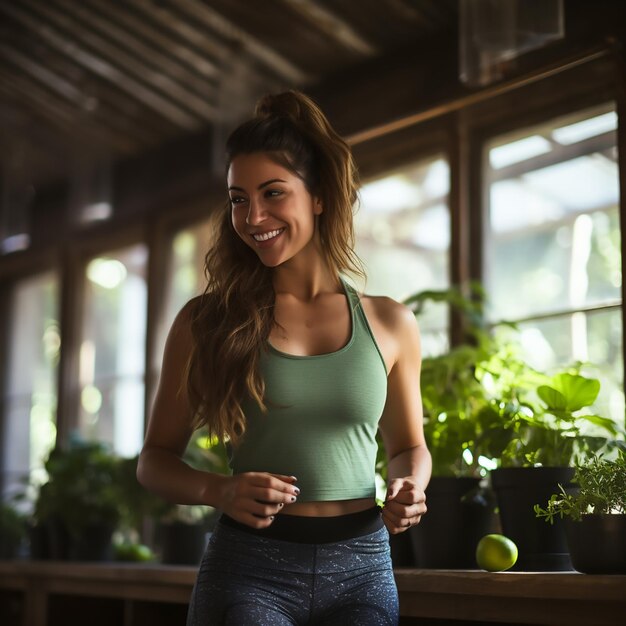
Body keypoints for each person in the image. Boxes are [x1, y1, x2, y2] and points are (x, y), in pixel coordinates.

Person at [137, 90, 431, 626]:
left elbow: (410, 446)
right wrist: (217, 488)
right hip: (249, 570)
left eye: (273, 193)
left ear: (317, 196)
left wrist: (411, 486)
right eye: (237, 199)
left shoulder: (390, 323)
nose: (253, 217)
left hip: (363, 568)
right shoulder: (206, 323)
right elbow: (153, 460)